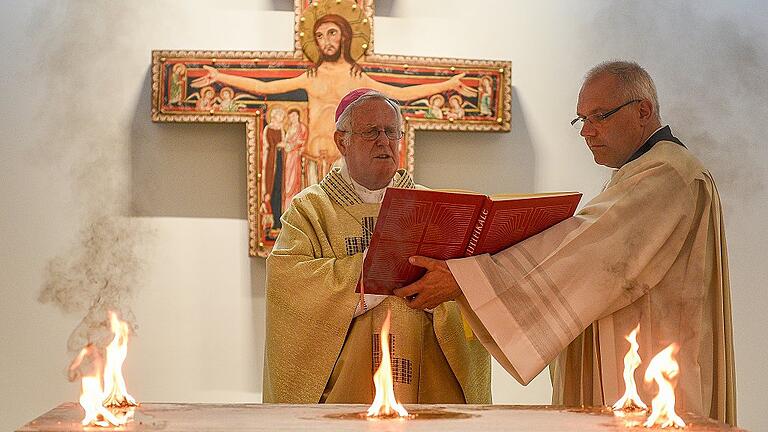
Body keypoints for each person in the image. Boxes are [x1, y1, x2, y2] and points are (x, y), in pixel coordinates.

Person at [393, 61, 736, 426]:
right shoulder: (642, 172)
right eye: (581, 120)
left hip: (652, 371)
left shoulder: (668, 173)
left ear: (644, 111)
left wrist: (466, 278)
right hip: (630, 360)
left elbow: (589, 252)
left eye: (599, 116)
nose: (587, 131)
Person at [263, 88, 491, 405]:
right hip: (347, 384)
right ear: (342, 141)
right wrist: (379, 276)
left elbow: (461, 287)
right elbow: (288, 283)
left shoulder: (433, 208)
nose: (384, 141)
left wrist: (443, 287)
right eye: (371, 132)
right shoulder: (309, 210)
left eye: (391, 132)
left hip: (427, 382)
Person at [191, 13, 474, 166]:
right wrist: (221, 76)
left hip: (346, 164)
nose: (325, 40)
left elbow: (400, 93)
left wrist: (447, 85)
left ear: (345, 36)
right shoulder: (311, 76)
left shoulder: (357, 76)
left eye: (331, 33)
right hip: (310, 156)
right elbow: (264, 86)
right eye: (319, 35)